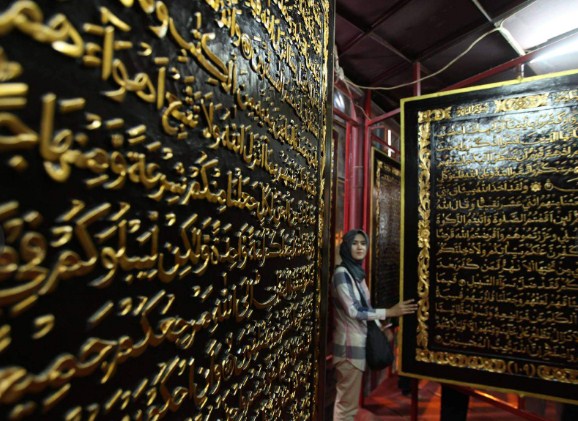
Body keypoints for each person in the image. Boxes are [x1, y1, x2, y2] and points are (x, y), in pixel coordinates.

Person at [332, 229, 418, 421]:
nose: (360, 247)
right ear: (346, 246)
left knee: (350, 405)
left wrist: (382, 327)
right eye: (354, 243)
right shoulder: (341, 274)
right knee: (346, 407)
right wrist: (389, 312)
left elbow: (367, 307)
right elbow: (354, 310)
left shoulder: (356, 274)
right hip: (349, 348)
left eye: (363, 243)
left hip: (358, 345)